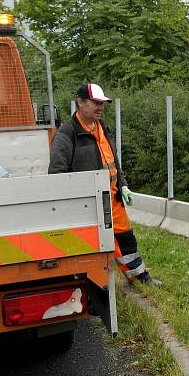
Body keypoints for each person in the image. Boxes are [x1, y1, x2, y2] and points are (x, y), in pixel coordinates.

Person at [48, 83, 162, 287]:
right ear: (80, 102)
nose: (100, 107)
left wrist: (123, 185)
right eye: (95, 103)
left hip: (113, 198)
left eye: (102, 103)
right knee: (88, 246)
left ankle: (139, 276)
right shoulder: (66, 134)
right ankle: (89, 285)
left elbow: (113, 161)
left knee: (126, 239)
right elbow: (57, 174)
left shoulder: (102, 126)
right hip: (89, 205)